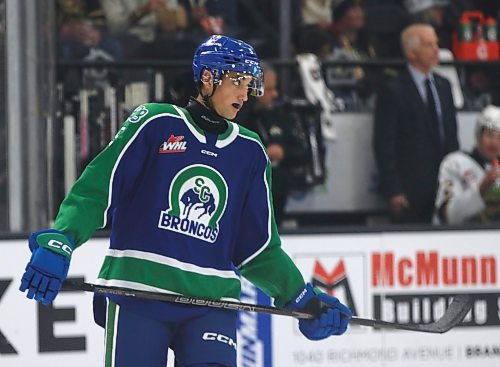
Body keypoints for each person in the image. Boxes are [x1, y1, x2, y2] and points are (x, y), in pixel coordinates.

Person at [19, 35, 351, 367]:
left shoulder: (250, 151)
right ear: (207, 77)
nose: (244, 93)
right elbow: (96, 189)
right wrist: (62, 237)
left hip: (211, 304)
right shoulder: (156, 123)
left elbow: (258, 247)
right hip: (138, 293)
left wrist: (301, 298)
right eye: (237, 81)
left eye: (249, 84)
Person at [373, 24, 459, 224]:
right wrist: (394, 189)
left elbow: (451, 134)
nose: (436, 49)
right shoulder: (393, 90)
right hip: (409, 189)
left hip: (443, 185)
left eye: (436, 43)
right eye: (429, 45)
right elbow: (384, 144)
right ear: (411, 52)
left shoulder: (444, 85)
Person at [435, 105, 500, 224]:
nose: (494, 143)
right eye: (490, 135)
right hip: (462, 239)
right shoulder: (455, 163)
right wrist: (480, 190)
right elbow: (447, 215)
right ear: (478, 136)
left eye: (499, 138)